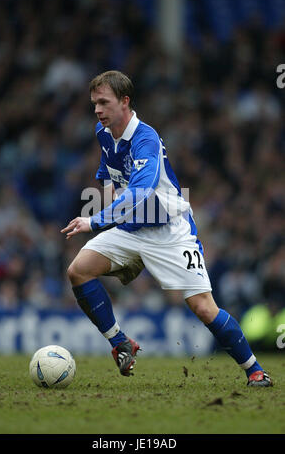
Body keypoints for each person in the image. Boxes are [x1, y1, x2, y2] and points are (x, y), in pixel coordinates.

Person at [61, 70, 272, 387]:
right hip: (132, 229)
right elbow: (107, 172)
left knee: (203, 308)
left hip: (170, 231)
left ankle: (255, 369)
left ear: (125, 102)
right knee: (78, 270)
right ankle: (121, 343)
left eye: (103, 103)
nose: (97, 110)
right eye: (94, 104)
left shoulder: (145, 139)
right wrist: (110, 200)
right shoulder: (103, 132)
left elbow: (141, 192)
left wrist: (94, 220)